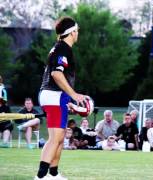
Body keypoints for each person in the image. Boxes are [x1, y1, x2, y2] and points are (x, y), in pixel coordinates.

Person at [36, 16, 86, 180]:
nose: (78, 33)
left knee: (59, 137)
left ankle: (53, 174)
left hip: (55, 96)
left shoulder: (60, 48)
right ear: (72, 32)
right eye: (77, 30)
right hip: (53, 95)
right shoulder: (63, 48)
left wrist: (69, 101)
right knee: (55, 138)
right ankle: (41, 176)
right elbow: (56, 73)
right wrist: (74, 95)